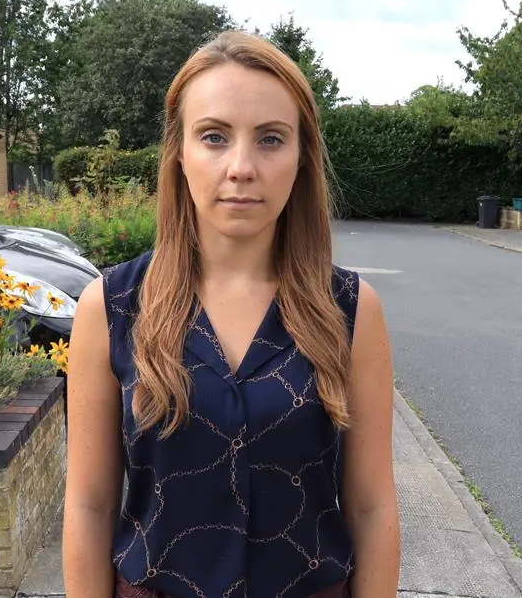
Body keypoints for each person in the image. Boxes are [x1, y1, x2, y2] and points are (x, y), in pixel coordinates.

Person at [63, 29, 401, 597]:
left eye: (270, 139)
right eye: (215, 136)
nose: (242, 166)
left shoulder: (350, 311)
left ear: (301, 158)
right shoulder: (113, 307)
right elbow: (90, 506)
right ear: (179, 153)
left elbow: (371, 507)